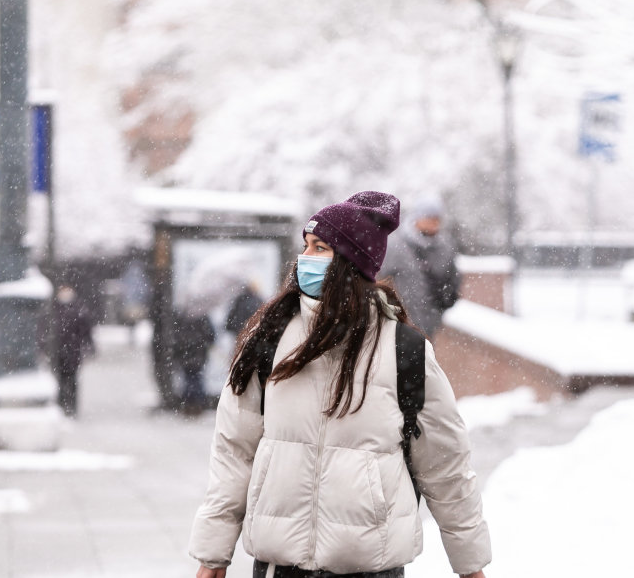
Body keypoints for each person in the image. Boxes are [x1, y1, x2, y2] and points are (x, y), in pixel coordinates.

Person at [189, 191, 490, 578]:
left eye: (321, 248)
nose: (306, 259)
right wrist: (213, 551)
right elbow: (235, 452)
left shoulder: (403, 349)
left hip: (371, 567)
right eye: (306, 246)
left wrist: (469, 563)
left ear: (352, 261)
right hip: (282, 565)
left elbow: (445, 465)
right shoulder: (270, 338)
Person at [380, 193, 460, 339]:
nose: (433, 223)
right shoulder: (396, 246)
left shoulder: (446, 247)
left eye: (437, 219)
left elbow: (453, 279)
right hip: (399, 323)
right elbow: (377, 277)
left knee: (424, 358)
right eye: (429, 217)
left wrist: (446, 299)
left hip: (431, 322)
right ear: (417, 217)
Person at [50, 285, 93, 418]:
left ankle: (71, 406)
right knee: (61, 380)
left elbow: (86, 330)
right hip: (60, 351)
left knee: (71, 379)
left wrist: (89, 345)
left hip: (72, 351)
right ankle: (62, 405)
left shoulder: (77, 309)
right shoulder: (55, 309)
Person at [173, 309, 217, 415]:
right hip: (198, 354)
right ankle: (197, 404)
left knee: (189, 379)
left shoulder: (182, 317)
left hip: (186, 355)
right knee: (196, 379)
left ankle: (189, 403)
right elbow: (211, 335)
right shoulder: (203, 317)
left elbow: (176, 336)